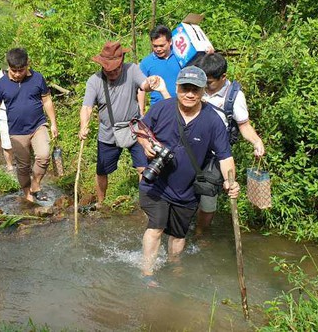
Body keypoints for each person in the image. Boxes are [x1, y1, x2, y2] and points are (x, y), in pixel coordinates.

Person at [136, 66, 240, 287]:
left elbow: (225, 157)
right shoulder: (162, 108)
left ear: (203, 91)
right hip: (157, 184)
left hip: (187, 190)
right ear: (177, 87)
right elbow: (140, 129)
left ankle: (174, 266)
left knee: (179, 235)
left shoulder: (213, 120)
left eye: (196, 89)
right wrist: (145, 144)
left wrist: (231, 183)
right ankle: (147, 274)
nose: (190, 94)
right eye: (185, 88)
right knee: (156, 227)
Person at [79, 41, 161, 205]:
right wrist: (84, 126)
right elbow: (87, 107)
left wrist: (151, 83)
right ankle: (101, 203)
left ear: (122, 63)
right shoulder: (94, 81)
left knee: (143, 168)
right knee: (102, 171)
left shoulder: (132, 70)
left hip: (135, 127)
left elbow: (144, 85)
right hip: (108, 132)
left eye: (116, 68)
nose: (112, 73)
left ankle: (145, 204)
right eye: (108, 69)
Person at [193, 53, 265, 237]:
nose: (205, 86)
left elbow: (244, 125)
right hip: (190, 148)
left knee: (208, 200)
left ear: (222, 77)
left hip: (215, 155)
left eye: (209, 82)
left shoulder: (234, 97)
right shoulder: (195, 87)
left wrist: (256, 141)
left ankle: (200, 233)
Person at [0, 48, 58, 202]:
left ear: (27, 65)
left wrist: (53, 123)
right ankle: (28, 195)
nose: (17, 73)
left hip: (38, 125)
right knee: (23, 166)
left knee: (43, 155)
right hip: (16, 131)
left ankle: (35, 185)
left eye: (20, 70)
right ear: (8, 66)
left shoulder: (37, 78)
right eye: (13, 70)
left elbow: (47, 100)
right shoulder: (1, 84)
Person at [139, 25, 181, 109]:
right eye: (155, 46)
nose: (158, 49)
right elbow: (141, 89)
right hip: (158, 109)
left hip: (181, 106)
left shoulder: (180, 57)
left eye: (162, 45)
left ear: (170, 42)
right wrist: (141, 111)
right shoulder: (146, 62)